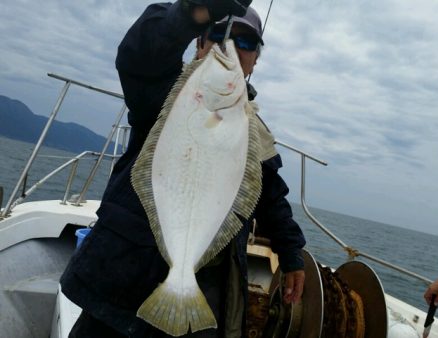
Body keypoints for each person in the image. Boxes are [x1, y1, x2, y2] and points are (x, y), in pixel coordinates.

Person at [60, 1, 306, 337]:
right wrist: (193, 11)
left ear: (255, 60)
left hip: (204, 287)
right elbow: (139, 55)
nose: (230, 46)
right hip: (122, 282)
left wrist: (291, 254)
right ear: (199, 42)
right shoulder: (164, 93)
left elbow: (271, 197)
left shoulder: (255, 132)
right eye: (220, 34)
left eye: (245, 42)